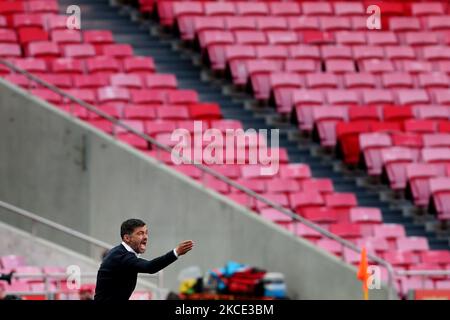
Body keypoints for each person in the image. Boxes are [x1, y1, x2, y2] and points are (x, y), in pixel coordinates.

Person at [94, 218, 193, 301]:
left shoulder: (121, 253)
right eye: (140, 233)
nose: (145, 237)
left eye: (146, 233)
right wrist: (176, 252)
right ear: (127, 238)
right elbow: (150, 267)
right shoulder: (121, 256)